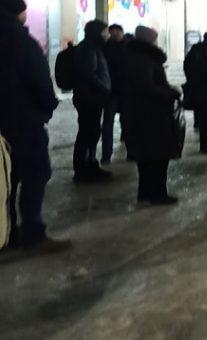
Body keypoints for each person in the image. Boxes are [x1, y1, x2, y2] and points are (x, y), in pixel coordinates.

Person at [0, 0, 69, 254]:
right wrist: (48, 105)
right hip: (23, 119)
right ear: (19, 12)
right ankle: (32, 231)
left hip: (6, 121)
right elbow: (38, 78)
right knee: (35, 173)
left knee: (5, 178)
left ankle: (6, 231)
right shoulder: (19, 39)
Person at [122, 25, 181, 206]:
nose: (157, 42)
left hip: (142, 114)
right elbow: (147, 87)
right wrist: (169, 94)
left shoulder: (136, 57)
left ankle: (146, 193)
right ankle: (157, 194)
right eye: (154, 39)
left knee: (146, 158)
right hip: (152, 115)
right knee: (157, 157)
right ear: (149, 41)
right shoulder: (144, 59)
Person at [71, 19, 111, 183]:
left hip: (93, 97)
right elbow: (90, 75)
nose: (107, 34)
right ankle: (82, 169)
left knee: (92, 132)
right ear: (97, 32)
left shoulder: (94, 47)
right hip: (89, 97)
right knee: (87, 133)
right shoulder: (88, 48)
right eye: (105, 31)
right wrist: (103, 87)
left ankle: (90, 164)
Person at [184, 32, 207, 133]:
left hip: (201, 89)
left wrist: (190, 79)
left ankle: (200, 127)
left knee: (201, 112)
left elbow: (186, 64)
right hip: (206, 89)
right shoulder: (202, 51)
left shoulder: (196, 49)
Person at [101, 23, 127, 165]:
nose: (115, 33)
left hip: (126, 91)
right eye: (112, 31)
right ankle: (106, 155)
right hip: (111, 92)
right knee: (107, 124)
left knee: (128, 122)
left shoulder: (129, 46)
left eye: (117, 31)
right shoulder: (106, 47)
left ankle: (132, 151)